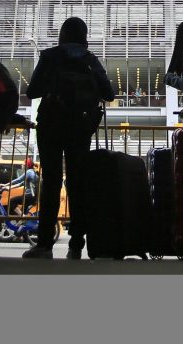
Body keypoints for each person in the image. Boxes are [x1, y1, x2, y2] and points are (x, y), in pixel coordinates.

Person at [23, 17, 114, 259]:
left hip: (51, 124)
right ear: (84, 35)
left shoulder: (50, 56)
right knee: (77, 181)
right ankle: (76, 244)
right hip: (80, 127)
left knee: (51, 181)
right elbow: (109, 92)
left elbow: (33, 92)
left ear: (62, 34)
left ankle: (44, 245)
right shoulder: (90, 59)